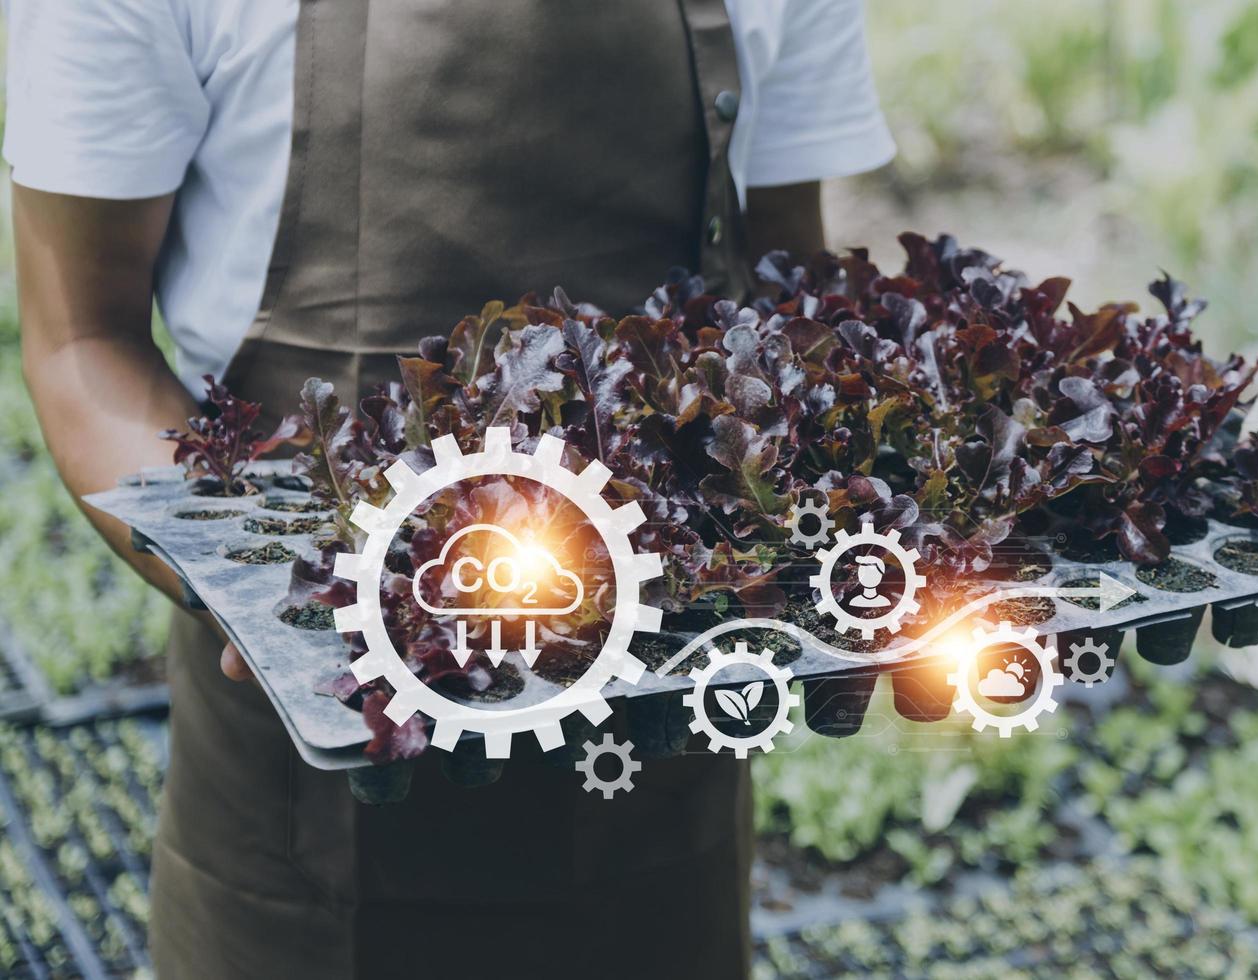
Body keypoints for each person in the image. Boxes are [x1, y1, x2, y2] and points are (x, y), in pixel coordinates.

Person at [5, 1, 951, 975]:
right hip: (314, 802)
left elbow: (786, 286)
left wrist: (897, 524)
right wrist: (263, 592)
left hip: (662, 757)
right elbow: (84, 340)